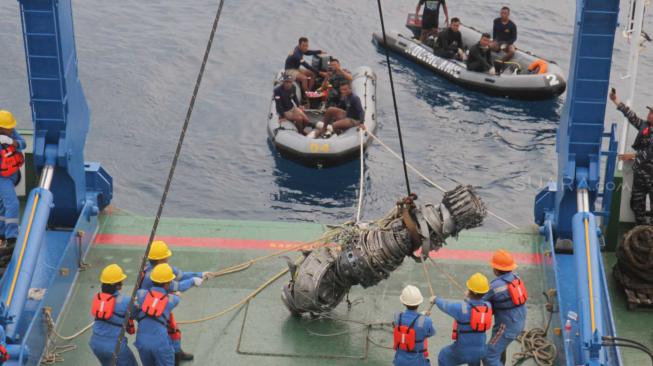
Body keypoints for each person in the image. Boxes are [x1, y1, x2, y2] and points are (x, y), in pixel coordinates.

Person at [140, 241, 205, 363]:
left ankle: (177, 352)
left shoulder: (158, 269)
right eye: (166, 256)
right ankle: (174, 357)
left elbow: (180, 275)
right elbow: (177, 285)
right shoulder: (155, 275)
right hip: (156, 309)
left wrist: (201, 274)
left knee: (174, 331)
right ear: (160, 259)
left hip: (157, 305)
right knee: (168, 333)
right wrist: (192, 281)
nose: (168, 258)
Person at [610, 89, 653, 224]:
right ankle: (640, 231)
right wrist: (615, 100)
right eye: (650, 112)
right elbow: (631, 115)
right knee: (636, 203)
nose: (649, 115)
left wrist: (633, 156)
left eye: (652, 113)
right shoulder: (645, 127)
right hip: (640, 174)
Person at [435, 273, 493, 366]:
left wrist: (435, 299)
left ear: (470, 290)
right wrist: (470, 299)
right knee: (474, 360)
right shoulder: (488, 306)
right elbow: (477, 303)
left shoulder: (460, 308)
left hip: (462, 351)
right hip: (480, 350)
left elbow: (444, 305)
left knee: (443, 355)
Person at [483, 250, 528, 366]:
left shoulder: (494, 287)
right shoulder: (516, 278)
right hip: (518, 320)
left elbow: (480, 301)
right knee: (500, 349)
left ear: (496, 269)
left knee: (489, 355)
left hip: (506, 327)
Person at [89, 264, 138, 366]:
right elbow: (135, 314)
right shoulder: (126, 301)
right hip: (115, 346)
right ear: (118, 285)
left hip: (95, 343)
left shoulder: (98, 298)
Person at [135, 263, 180, 366]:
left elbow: (134, 311)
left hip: (142, 341)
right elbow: (177, 298)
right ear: (167, 283)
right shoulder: (171, 300)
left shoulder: (141, 294)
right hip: (160, 342)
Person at [0, 110, 25, 268]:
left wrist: (12, 142)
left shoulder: (11, 133)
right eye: (8, 129)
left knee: (3, 206)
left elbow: (23, 143)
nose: (11, 130)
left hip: (13, 174)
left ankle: (2, 233)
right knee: (12, 204)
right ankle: (11, 238)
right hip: (2, 178)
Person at [392, 285, 435, 366]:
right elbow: (431, 333)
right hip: (417, 362)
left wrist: (422, 315)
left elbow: (408, 318)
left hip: (399, 361)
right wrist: (423, 317)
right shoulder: (426, 321)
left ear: (403, 302)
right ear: (419, 302)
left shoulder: (397, 316)